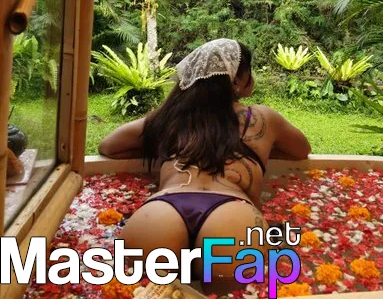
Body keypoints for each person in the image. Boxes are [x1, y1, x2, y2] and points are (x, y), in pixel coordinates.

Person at [98, 39, 311, 294]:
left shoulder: (170, 118)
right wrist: (260, 150)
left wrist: (163, 148)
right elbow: (301, 150)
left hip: (159, 214)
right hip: (232, 218)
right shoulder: (262, 118)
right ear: (238, 79)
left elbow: (109, 146)